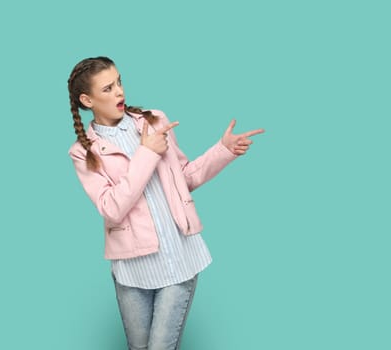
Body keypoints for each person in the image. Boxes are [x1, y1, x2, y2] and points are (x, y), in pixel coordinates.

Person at [67, 56, 264, 350]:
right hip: (131, 269)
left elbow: (183, 178)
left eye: (119, 82)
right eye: (107, 88)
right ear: (87, 100)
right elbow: (112, 208)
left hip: (179, 258)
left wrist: (223, 151)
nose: (119, 92)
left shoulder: (154, 121)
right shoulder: (83, 153)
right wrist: (146, 154)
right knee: (138, 347)